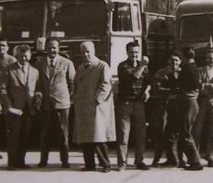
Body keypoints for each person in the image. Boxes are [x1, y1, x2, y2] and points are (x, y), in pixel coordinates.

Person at [72, 41, 116, 172]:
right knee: (86, 137)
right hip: (83, 106)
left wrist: (96, 100)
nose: (86, 54)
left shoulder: (102, 66)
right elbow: (76, 85)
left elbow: (106, 85)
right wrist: (76, 99)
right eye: (83, 52)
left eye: (88, 51)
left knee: (99, 137)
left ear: (94, 51)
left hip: (97, 107)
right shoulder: (80, 68)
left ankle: (105, 164)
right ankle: (89, 164)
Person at [34, 37, 76, 168]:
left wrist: (67, 97)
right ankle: (43, 160)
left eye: (54, 47)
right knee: (44, 133)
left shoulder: (67, 63)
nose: (52, 50)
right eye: (50, 47)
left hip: (62, 103)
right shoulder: (39, 64)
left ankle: (65, 160)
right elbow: (37, 83)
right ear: (46, 49)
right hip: (45, 103)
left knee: (63, 133)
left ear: (58, 49)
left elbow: (73, 83)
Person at [0, 44, 42, 169]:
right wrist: (9, 107)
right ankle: (12, 163)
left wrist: (38, 97)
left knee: (25, 135)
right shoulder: (8, 70)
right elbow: (3, 90)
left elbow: (38, 89)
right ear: (16, 56)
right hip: (14, 109)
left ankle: (21, 161)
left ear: (30, 56)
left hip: (29, 109)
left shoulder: (35, 71)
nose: (24, 58)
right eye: (21, 56)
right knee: (13, 136)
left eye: (26, 56)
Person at [163, 48, 204, 171]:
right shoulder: (195, 68)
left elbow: (176, 85)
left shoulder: (187, 69)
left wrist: (170, 75)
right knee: (171, 131)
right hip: (187, 103)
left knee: (184, 133)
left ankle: (196, 162)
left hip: (187, 104)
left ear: (184, 57)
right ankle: (174, 159)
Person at [115, 41, 151, 171]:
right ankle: (122, 162)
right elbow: (132, 78)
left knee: (141, 134)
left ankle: (139, 161)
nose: (134, 55)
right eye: (131, 52)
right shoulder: (122, 66)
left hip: (139, 103)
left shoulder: (144, 68)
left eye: (136, 52)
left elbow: (148, 82)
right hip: (125, 104)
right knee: (123, 134)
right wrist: (142, 65)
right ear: (127, 53)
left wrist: (147, 91)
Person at [150, 52, 181, 167]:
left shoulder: (182, 73)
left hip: (177, 106)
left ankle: (174, 159)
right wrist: (172, 89)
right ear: (168, 61)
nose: (174, 63)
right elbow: (157, 88)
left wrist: (173, 89)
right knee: (161, 131)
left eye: (177, 60)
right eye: (172, 60)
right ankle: (156, 159)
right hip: (164, 105)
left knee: (174, 133)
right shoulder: (161, 72)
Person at [0, 37, 16, 156]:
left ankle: (11, 145)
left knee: (10, 120)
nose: (1, 48)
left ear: (8, 48)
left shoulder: (12, 60)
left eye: (3, 46)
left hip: (9, 93)